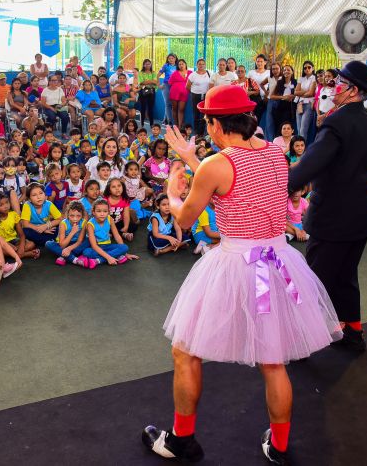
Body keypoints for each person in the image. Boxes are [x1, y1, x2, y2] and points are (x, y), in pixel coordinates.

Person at [142, 85, 341, 464]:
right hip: (276, 263)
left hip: (234, 264)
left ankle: (181, 441)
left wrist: (172, 188)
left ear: (216, 124)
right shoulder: (274, 153)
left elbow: (184, 219)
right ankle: (279, 446)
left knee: (185, 351)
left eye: (207, 121)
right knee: (273, 359)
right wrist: (194, 158)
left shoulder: (217, 165)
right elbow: (241, 186)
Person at [288, 60, 367, 352]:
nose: (333, 86)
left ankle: (301, 343)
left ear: (353, 89)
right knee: (345, 277)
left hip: (332, 220)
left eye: (339, 82)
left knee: (312, 282)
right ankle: (354, 334)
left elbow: (309, 165)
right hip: (360, 218)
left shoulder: (337, 122)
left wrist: (279, 186)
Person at [186, 59, 211, 136]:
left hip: (206, 96)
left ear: (205, 65)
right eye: (199, 64)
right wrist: (194, 92)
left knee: (204, 115)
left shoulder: (209, 73)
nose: (201, 65)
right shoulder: (193, 75)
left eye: (203, 64)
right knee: (196, 114)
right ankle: (197, 132)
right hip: (195, 96)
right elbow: (187, 86)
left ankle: (202, 132)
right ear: (197, 65)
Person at [295, 60, 317, 138]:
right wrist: (307, 92)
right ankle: (298, 149)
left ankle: (302, 150)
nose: (307, 69)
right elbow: (295, 92)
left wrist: (301, 93)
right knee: (298, 129)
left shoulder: (315, 78)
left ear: (313, 68)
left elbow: (311, 93)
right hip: (300, 104)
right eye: (305, 68)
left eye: (309, 67)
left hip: (309, 104)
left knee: (303, 130)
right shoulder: (301, 78)